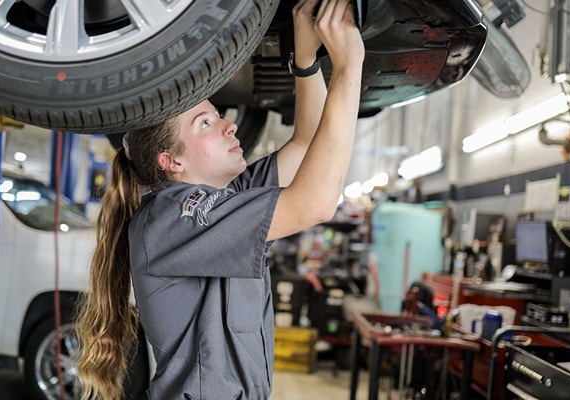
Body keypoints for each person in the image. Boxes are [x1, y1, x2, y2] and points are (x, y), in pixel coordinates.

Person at [75, 0, 365, 398]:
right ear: (171, 160)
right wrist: (350, 69)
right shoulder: (170, 217)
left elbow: (306, 146)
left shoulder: (227, 200)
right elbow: (314, 203)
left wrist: (306, 59)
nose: (230, 126)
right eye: (206, 123)